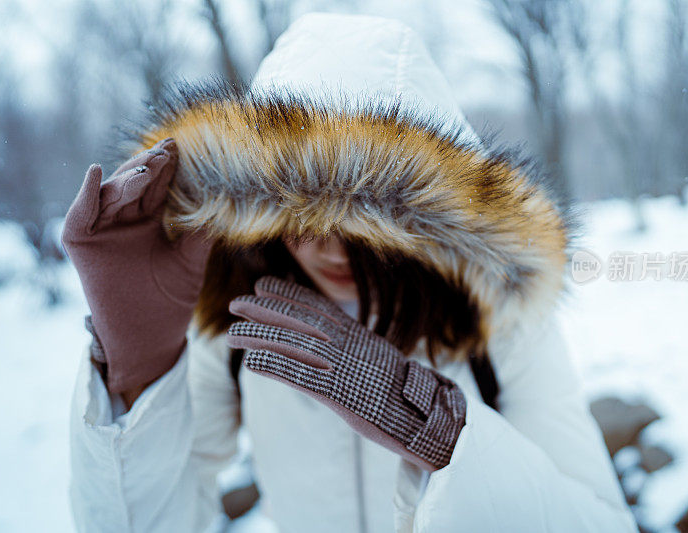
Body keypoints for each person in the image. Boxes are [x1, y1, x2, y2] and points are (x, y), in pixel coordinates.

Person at [62, 12, 637, 533]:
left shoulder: (497, 323)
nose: (329, 248)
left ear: (422, 222)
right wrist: (136, 378)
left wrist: (449, 440)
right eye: (300, 212)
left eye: (362, 221)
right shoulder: (245, 318)